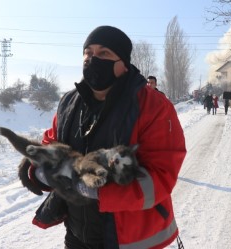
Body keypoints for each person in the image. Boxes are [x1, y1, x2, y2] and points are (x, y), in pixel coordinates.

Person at [21, 26, 186, 249]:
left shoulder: (153, 106)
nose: (93, 59)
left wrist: (98, 190)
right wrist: (40, 167)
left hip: (129, 240)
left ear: (123, 63)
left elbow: (161, 176)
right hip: (78, 234)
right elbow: (52, 144)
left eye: (104, 53)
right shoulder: (69, 102)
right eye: (88, 53)